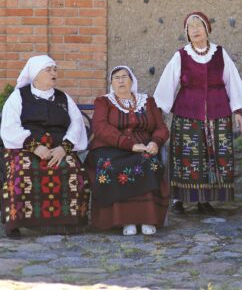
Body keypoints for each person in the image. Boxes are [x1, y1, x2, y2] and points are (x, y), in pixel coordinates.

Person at [154, 11, 242, 215]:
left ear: (207, 29)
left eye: (199, 25)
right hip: (188, 114)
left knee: (212, 156)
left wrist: (238, 110)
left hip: (218, 113)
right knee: (186, 156)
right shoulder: (181, 56)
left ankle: (205, 200)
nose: (195, 30)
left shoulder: (220, 54)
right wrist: (160, 112)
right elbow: (167, 84)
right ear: (187, 33)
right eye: (191, 27)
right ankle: (179, 199)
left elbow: (232, 82)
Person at [0, 55, 89, 239]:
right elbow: (10, 125)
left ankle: (69, 222)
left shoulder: (63, 98)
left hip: (58, 148)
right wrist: (33, 146)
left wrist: (64, 147)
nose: (53, 73)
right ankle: (17, 222)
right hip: (25, 147)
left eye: (55, 69)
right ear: (35, 75)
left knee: (73, 169)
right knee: (21, 172)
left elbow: (77, 124)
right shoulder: (18, 97)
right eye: (48, 70)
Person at [86, 66, 170, 236]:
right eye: (116, 78)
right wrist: (129, 145)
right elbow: (101, 128)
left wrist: (155, 142)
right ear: (111, 83)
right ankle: (125, 220)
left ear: (132, 81)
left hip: (144, 146)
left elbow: (161, 127)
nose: (121, 80)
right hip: (110, 147)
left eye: (125, 77)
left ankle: (147, 218)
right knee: (110, 166)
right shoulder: (104, 102)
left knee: (148, 162)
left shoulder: (148, 101)